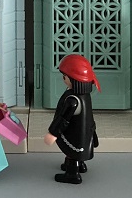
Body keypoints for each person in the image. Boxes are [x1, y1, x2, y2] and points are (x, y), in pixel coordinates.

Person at [44, 54, 100, 184]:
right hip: (86, 132)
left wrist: (53, 133)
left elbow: (63, 119)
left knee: (72, 153)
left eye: (65, 76)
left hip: (74, 134)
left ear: (74, 79)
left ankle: (72, 174)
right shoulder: (85, 96)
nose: (63, 78)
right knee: (78, 150)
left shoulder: (73, 101)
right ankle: (80, 165)